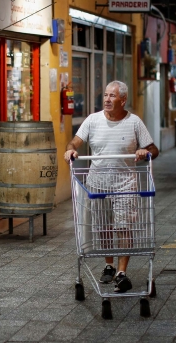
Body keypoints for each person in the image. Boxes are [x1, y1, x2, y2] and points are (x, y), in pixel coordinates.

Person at [64, 80, 159, 293]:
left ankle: (122, 272)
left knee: (123, 227)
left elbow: (154, 149)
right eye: (105, 95)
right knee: (103, 227)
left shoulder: (134, 122)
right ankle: (109, 264)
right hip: (97, 183)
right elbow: (74, 143)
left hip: (125, 183)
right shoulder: (92, 120)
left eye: (112, 96)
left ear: (123, 100)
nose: (107, 99)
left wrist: (145, 152)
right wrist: (70, 150)